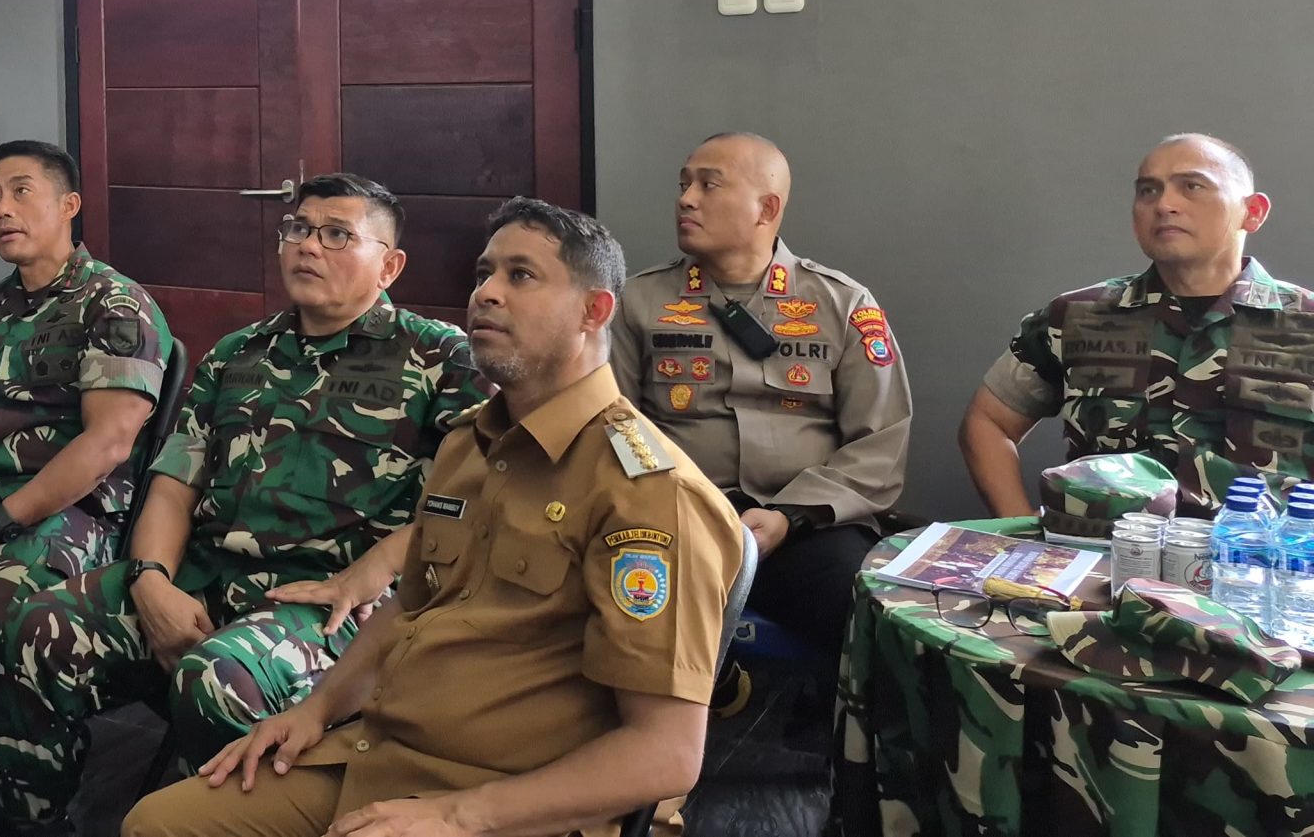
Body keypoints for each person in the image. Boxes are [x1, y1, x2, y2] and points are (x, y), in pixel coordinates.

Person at [126, 198, 743, 837]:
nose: (486, 293)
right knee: (158, 824)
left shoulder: (649, 493)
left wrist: (458, 815)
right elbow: (409, 604)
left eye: (521, 275)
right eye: (484, 273)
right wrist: (316, 709)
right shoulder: (470, 445)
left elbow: (666, 754)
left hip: (514, 804)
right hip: (385, 757)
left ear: (594, 311)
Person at [0, 174, 484, 835]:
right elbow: (174, 485)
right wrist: (151, 581)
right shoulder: (237, 353)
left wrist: (370, 573)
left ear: (389, 265)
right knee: (35, 625)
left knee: (217, 678)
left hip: (326, 610)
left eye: (337, 234)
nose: (309, 245)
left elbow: (470, 505)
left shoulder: (443, 359)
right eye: (298, 228)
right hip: (206, 578)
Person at [0, 141, 169, 724]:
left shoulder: (114, 304)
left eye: (21, 192)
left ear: (69, 206)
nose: (2, 209)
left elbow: (107, 443)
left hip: (74, 509)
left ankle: (11, 775)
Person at [611, 133, 910, 658]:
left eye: (708, 185)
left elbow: (881, 443)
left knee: (861, 611)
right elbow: (614, 423)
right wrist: (668, 503)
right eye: (684, 185)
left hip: (808, 527)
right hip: (677, 518)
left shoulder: (842, 304)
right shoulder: (637, 302)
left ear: (766, 209)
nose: (686, 199)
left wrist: (791, 516)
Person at [961, 133, 1314, 517]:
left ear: (1253, 211)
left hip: (1256, 553)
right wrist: (1021, 531)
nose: (1164, 204)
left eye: (1192, 186)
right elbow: (988, 421)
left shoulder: (1306, 324)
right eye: (1148, 191)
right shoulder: (1077, 316)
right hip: (1104, 551)